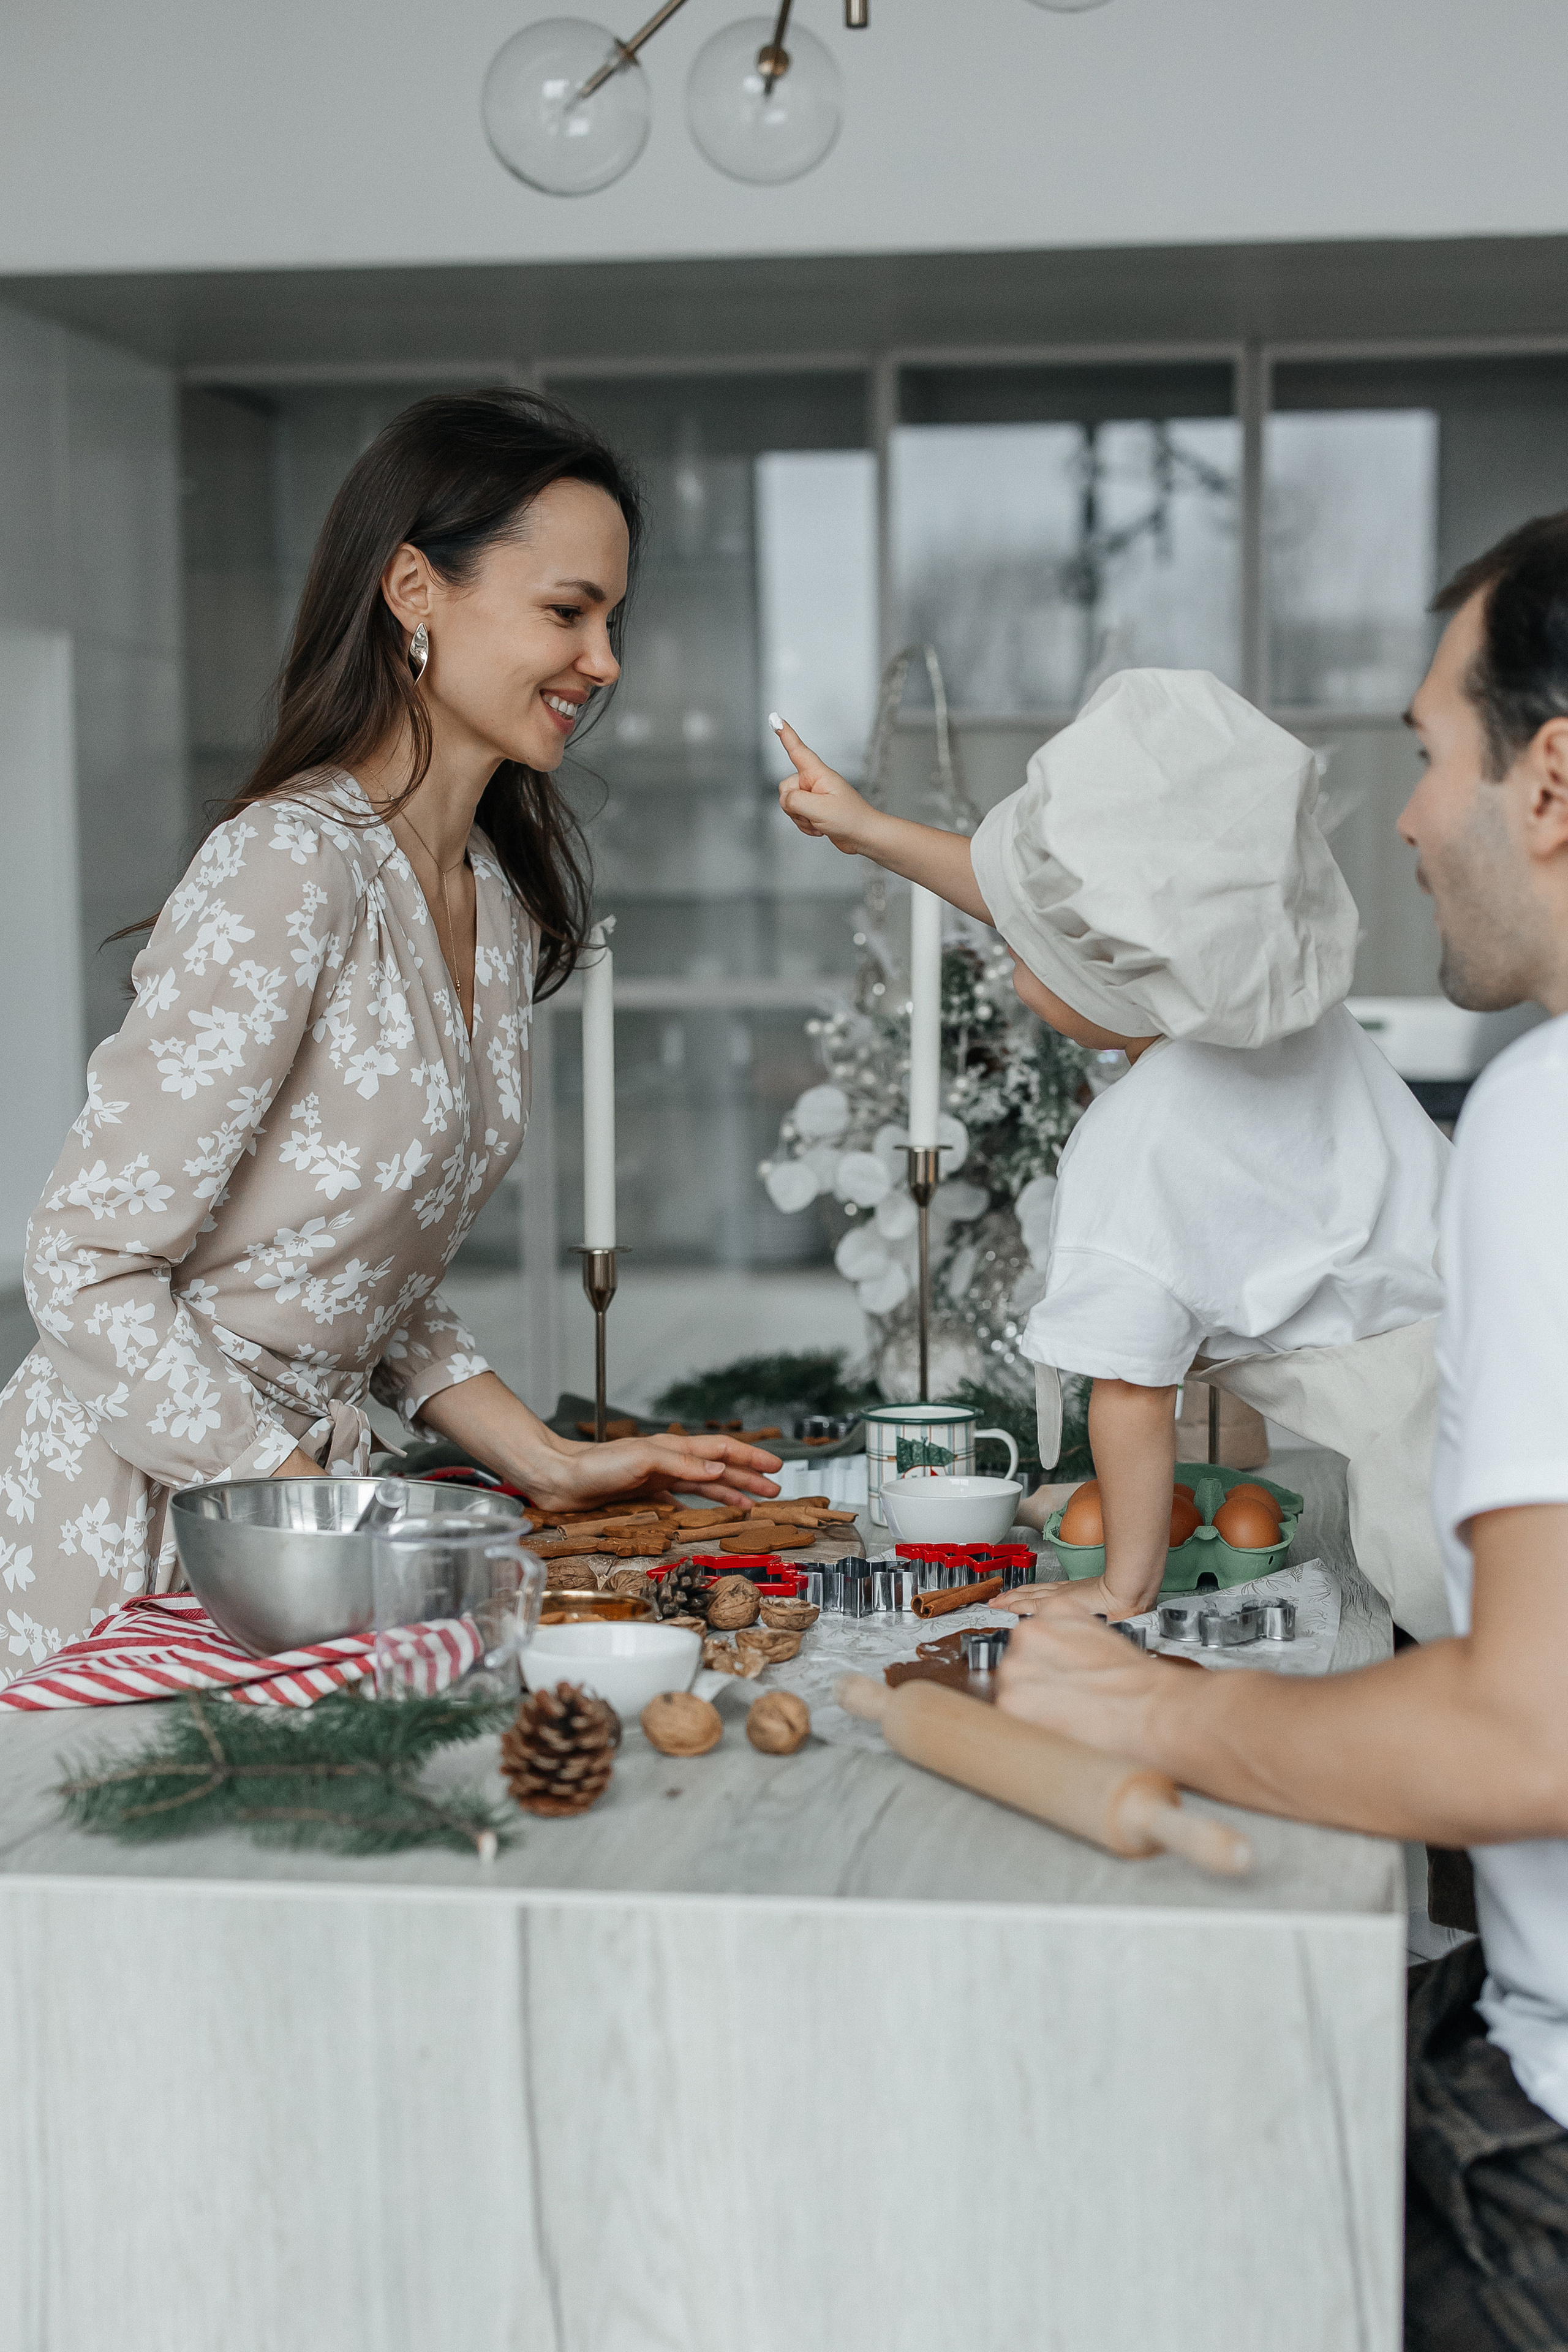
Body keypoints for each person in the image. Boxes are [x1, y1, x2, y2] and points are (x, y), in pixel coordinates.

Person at [995, 513, 1568, 2350]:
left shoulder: (1545, 1117)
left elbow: (1530, 1722)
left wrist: (1129, 1651)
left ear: (1552, 777)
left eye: (1429, 754)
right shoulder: (1328, 1038)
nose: (1404, 820)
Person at [0, 390, 779, 1665]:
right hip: (136, 1517)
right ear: (414, 588)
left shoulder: (498, 905)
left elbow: (358, 1266)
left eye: (612, 620)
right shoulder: (288, 867)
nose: (605, 662)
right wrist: (306, 1504)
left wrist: (544, 1458)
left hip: (304, 1516)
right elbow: (83, 1267)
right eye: (565, 612)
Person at [771, 669, 1452, 1640]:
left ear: (1116, 963)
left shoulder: (1140, 1140)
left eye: (1028, 939)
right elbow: (1082, 919)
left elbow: (1131, 1391)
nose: (1008, 942)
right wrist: (869, 827)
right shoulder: (1282, 1010)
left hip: (1437, 1472)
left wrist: (1121, 1587)